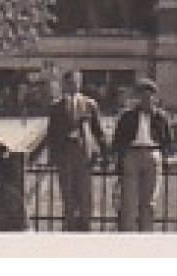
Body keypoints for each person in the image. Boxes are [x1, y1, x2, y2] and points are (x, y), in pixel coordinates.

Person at [28, 69, 107, 232]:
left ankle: (85, 229)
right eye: (70, 82)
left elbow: (99, 132)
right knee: (67, 195)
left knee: (85, 195)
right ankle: (69, 228)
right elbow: (51, 134)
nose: (74, 85)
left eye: (77, 82)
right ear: (64, 85)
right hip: (65, 154)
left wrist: (105, 154)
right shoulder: (56, 107)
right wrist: (51, 156)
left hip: (84, 154)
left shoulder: (90, 104)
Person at [111, 79, 172, 232]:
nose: (147, 100)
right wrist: (121, 158)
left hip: (153, 155)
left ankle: (146, 237)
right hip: (132, 155)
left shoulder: (161, 117)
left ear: (155, 98)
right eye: (143, 96)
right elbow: (117, 140)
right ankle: (128, 239)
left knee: (149, 203)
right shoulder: (127, 116)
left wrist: (163, 157)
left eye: (150, 96)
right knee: (129, 204)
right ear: (138, 98)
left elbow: (168, 140)